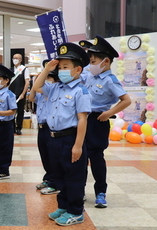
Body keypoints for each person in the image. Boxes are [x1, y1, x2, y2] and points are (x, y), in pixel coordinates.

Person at [32, 42, 91, 226]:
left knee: (74, 177)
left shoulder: (81, 91)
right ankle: (63, 206)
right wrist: (48, 68)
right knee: (59, 176)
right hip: (53, 139)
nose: (61, 70)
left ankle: (76, 211)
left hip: (70, 138)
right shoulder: (55, 88)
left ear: (78, 69)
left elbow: (82, 119)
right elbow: (37, 86)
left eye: (66, 67)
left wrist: (78, 145)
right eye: (60, 67)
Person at [85, 35, 131, 208]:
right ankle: (79, 190)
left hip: (98, 121)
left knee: (96, 158)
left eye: (94, 60)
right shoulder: (90, 76)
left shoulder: (110, 80)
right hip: (84, 120)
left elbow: (126, 100)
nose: (91, 63)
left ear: (105, 61)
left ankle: (100, 193)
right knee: (81, 157)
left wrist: (109, 113)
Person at [29, 59, 60, 195]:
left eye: (48, 78)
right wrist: (37, 81)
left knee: (53, 156)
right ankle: (48, 178)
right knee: (45, 155)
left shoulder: (53, 91)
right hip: (41, 128)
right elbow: (31, 97)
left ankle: (54, 181)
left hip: (50, 127)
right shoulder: (42, 94)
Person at [9, 53, 30, 135]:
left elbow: (27, 82)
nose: (15, 59)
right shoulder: (10, 70)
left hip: (20, 94)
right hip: (11, 94)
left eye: (17, 58)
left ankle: (18, 127)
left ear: (21, 60)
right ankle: (12, 127)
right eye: (14, 58)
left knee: (20, 111)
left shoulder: (24, 69)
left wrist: (23, 93)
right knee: (11, 111)